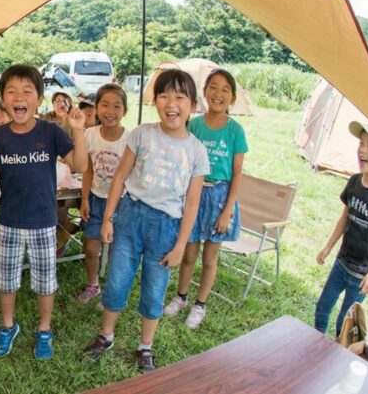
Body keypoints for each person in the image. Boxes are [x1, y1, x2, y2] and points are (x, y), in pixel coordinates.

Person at [84, 69, 209, 372]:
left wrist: (181, 245)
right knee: (116, 280)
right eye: (164, 95)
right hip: (130, 216)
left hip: (167, 226)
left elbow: (193, 202)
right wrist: (108, 218)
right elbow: (120, 176)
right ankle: (106, 335)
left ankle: (145, 347)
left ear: (192, 105)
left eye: (180, 97)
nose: (171, 103)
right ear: (155, 101)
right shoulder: (142, 134)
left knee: (155, 290)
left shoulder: (197, 151)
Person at [0, 64, 87, 360]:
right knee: (7, 280)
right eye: (11, 91)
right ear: (2, 99)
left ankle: (44, 329)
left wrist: (79, 131)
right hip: (10, 220)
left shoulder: (50, 131)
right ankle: (8, 326)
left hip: (44, 221)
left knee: (45, 281)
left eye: (27, 91)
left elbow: (80, 166)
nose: (19, 97)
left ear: (38, 98)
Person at [164, 69, 249, 329]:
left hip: (220, 197)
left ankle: (200, 305)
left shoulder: (236, 131)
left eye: (225, 89)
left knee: (210, 258)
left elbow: (237, 175)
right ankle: (181, 298)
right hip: (194, 193)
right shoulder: (195, 125)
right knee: (189, 253)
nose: (218, 93)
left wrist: (226, 211)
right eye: (213, 87)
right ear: (204, 92)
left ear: (232, 98)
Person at [314, 121, 368, 337]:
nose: (362, 149)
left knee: (345, 322)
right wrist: (327, 247)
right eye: (361, 143)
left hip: (360, 276)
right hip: (341, 264)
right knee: (322, 307)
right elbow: (344, 218)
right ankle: (316, 341)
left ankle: (334, 354)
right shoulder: (353, 182)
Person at [77, 84, 129, 305]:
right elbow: (87, 169)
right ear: (96, 108)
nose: (111, 111)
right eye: (105, 105)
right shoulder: (89, 135)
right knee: (90, 248)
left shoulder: (130, 138)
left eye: (117, 106)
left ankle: (113, 292)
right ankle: (93, 284)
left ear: (124, 110)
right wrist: (85, 198)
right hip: (96, 199)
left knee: (119, 252)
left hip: (122, 202)